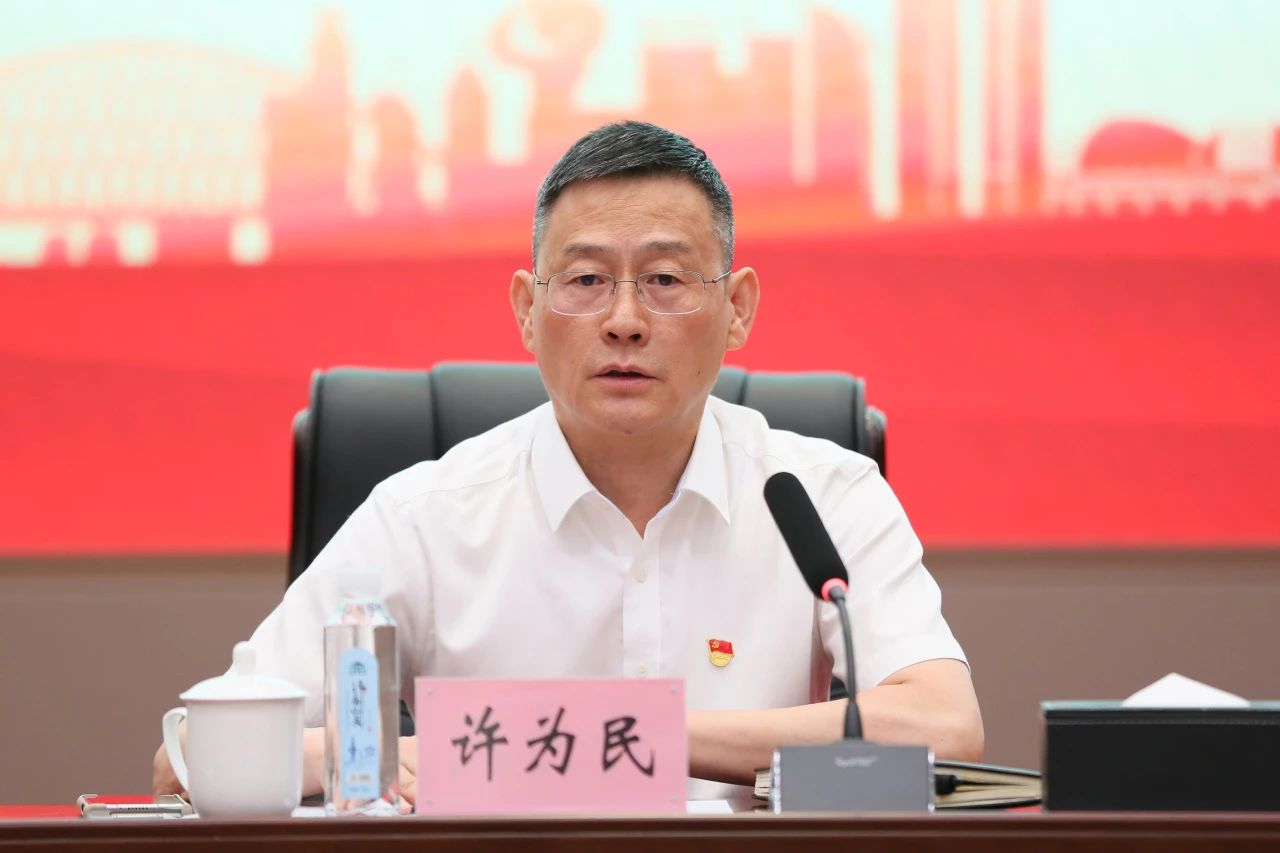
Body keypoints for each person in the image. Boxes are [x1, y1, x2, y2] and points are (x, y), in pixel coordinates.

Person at [154, 120, 982, 803]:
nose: (623, 319)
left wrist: (628, 735)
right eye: (585, 280)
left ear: (737, 308)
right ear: (527, 309)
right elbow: (186, 756)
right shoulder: (424, 515)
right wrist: (387, 753)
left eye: (665, 279)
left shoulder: (822, 495)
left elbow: (945, 727)